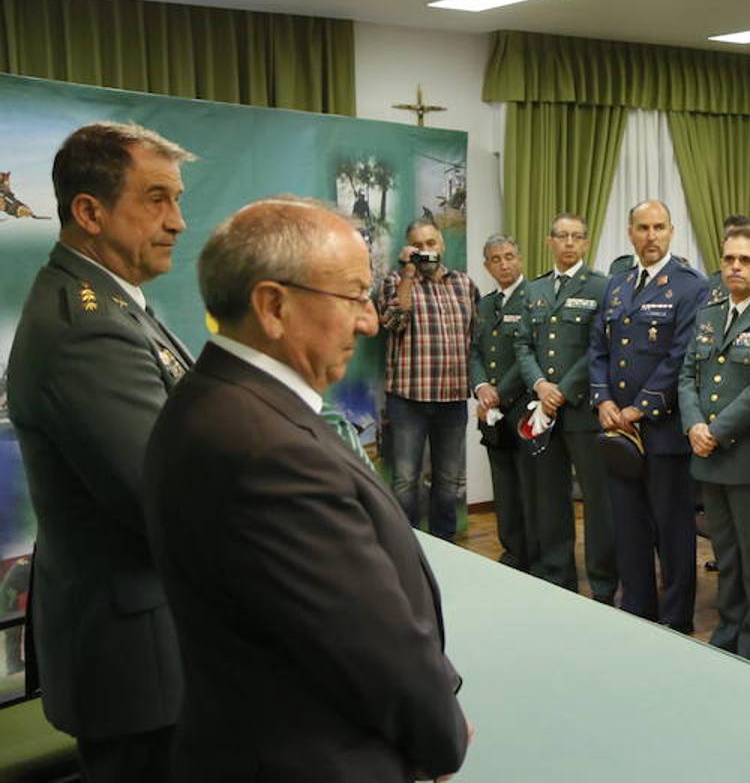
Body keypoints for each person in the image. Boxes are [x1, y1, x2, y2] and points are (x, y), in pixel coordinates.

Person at [144, 198, 471, 780]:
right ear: (273, 306)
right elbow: (371, 648)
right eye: (353, 297)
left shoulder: (215, 400)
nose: (368, 321)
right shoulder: (268, 450)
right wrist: (440, 736)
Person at [7, 122, 193, 781]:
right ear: (89, 211)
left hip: (143, 643)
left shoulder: (111, 304)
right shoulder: (89, 328)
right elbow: (168, 499)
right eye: (156, 199)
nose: (177, 220)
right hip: (138, 662)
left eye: (176, 199)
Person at [591, 200, 709, 630]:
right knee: (629, 529)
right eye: (643, 228)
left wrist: (639, 409)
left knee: (674, 533)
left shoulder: (690, 286)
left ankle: (677, 620)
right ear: (630, 232)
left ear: (672, 232)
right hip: (618, 432)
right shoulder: (617, 285)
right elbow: (598, 348)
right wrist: (603, 400)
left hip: (662, 432)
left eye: (659, 227)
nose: (651, 236)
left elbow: (681, 356)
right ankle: (638, 611)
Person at [678, 228, 750, 667]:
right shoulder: (709, 314)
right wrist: (693, 426)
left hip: (748, 458)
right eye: (729, 260)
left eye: (745, 260)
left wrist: (716, 430)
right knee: (726, 554)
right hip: (708, 458)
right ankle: (730, 628)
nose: (735, 267)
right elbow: (687, 376)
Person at [514, 214, 616, 602]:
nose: (569, 243)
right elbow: (523, 344)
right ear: (549, 242)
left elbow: (598, 347)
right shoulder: (535, 289)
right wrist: (540, 385)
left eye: (577, 237)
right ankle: (558, 579)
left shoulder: (600, 286)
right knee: (549, 497)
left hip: (581, 411)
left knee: (597, 500)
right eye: (562, 236)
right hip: (543, 409)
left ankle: (604, 583)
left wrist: (562, 390)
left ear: (586, 244)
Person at [378, 219, 479, 541]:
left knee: (449, 480)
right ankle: (406, 547)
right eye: (418, 245)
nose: (426, 251)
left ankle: (443, 544)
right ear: (409, 250)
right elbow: (393, 322)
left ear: (442, 245)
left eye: (431, 243)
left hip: (452, 398)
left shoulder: (464, 284)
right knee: (406, 480)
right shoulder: (394, 281)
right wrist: (408, 274)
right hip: (408, 399)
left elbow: (476, 338)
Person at [469, 234, 530, 569]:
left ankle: (534, 554)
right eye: (496, 259)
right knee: (503, 486)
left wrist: (498, 394)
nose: (504, 264)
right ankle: (512, 551)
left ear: (519, 258)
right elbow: (476, 351)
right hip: (490, 410)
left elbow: (527, 357)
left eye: (509, 256)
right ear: (486, 265)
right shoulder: (485, 304)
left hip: (523, 407)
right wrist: (480, 387)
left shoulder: (533, 298)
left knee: (529, 487)